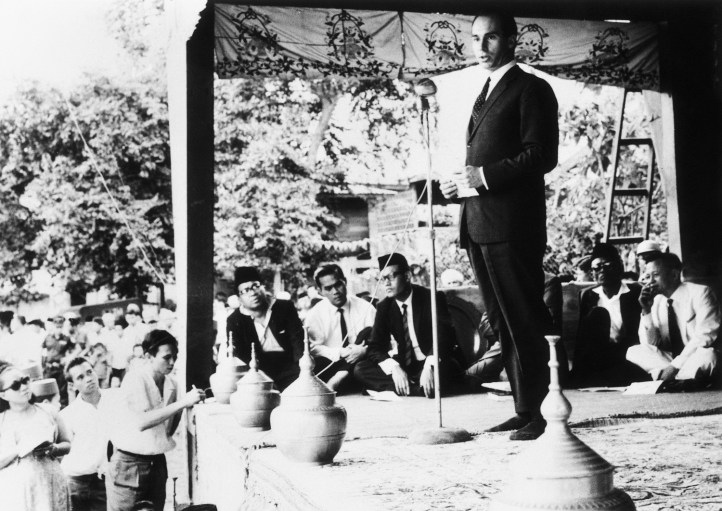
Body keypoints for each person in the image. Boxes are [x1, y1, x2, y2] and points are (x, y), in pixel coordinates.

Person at [439, 13, 558, 440]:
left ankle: (545, 413)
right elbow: (483, 165)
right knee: (502, 321)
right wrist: (464, 187)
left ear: (511, 39)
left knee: (524, 317)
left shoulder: (531, 88)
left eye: (490, 37)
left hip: (513, 227)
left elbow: (540, 155)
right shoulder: (484, 91)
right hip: (481, 223)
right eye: (474, 38)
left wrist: (483, 177)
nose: (481, 47)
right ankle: (525, 409)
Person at [105, 330, 205, 511]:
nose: (172, 362)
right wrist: (183, 402)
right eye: (166, 357)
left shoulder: (172, 384)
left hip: (157, 463)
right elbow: (142, 422)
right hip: (129, 464)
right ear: (148, 356)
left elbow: (168, 429)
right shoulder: (135, 378)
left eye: (175, 356)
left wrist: (183, 404)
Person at [353, 253, 464, 397]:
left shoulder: (431, 298)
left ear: (407, 276)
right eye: (382, 279)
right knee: (361, 369)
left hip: (434, 360)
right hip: (406, 365)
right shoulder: (384, 306)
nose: (386, 283)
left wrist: (429, 365)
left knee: (444, 372)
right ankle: (418, 388)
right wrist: (395, 368)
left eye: (391, 277)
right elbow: (375, 347)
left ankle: (405, 387)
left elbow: (445, 337)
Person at [626, 253, 720, 387]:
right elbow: (651, 345)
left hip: (693, 356)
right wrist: (646, 311)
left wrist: (675, 366)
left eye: (656, 275)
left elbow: (705, 336)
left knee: (709, 356)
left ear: (674, 275)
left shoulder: (701, 293)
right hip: (671, 359)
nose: (650, 281)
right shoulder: (657, 301)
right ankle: (682, 379)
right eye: (648, 276)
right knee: (634, 351)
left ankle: (668, 379)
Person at [571, 243, 649, 387]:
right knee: (598, 315)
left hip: (628, 353)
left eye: (608, 266)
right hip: (599, 355)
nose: (602, 271)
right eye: (597, 267)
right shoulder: (588, 295)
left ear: (620, 267)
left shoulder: (635, 293)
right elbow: (583, 337)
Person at [0, 362, 71, 510]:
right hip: (17, 489)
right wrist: (17, 451)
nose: (24, 386)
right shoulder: (2, 421)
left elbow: (67, 443)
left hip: (51, 482)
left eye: (25, 380)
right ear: (3, 394)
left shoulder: (48, 411)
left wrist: (54, 448)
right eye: (15, 385)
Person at [226, 267, 304, 391]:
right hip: (258, 373)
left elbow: (298, 340)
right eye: (245, 290)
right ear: (239, 298)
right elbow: (238, 355)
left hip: (290, 367)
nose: (252, 293)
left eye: (255, 286)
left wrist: (303, 370)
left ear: (263, 287)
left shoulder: (284, 307)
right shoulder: (235, 320)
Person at [305, 264, 376, 392]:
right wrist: (340, 353)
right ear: (320, 291)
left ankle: (338, 380)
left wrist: (363, 351)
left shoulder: (366, 308)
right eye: (328, 288)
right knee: (315, 367)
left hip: (361, 360)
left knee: (367, 333)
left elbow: (378, 339)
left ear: (345, 282)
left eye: (338, 285)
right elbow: (312, 348)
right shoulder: (314, 314)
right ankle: (346, 379)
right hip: (332, 363)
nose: (335, 292)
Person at [61, 357, 116, 511]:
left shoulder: (114, 400)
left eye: (89, 372)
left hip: (106, 481)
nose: (89, 378)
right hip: (76, 483)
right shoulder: (68, 415)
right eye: (80, 377)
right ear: (72, 385)